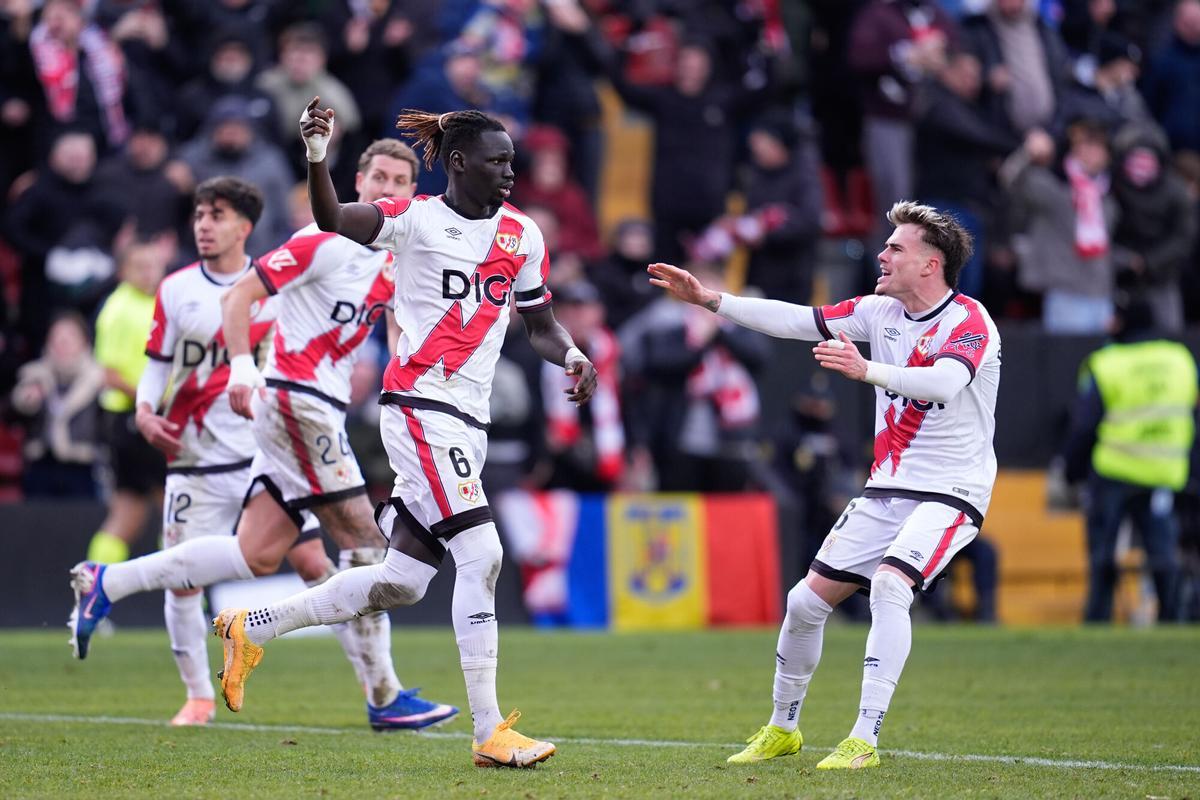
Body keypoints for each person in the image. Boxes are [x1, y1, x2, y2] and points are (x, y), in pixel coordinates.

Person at [210, 99, 598, 769]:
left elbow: (538, 323)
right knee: (483, 557)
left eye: (512, 159)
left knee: (402, 581)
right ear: (457, 163)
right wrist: (317, 153)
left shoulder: (523, 236)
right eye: (497, 159)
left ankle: (253, 626)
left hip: (467, 419)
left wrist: (571, 355)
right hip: (421, 406)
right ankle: (487, 732)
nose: (510, 170)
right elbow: (333, 219)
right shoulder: (413, 220)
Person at [66, 176, 452, 730]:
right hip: (261, 424)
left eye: (398, 181)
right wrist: (205, 385)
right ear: (359, 183)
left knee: (262, 555)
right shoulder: (314, 244)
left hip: (267, 434)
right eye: (378, 179)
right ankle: (359, 694)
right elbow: (233, 304)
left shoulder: (386, 266)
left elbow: (396, 325)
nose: (386, 188)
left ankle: (111, 582)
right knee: (365, 544)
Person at [648, 200, 1000, 770]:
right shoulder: (877, 311)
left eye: (896, 248)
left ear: (931, 265)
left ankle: (864, 737)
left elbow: (944, 383)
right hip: (888, 485)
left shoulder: (970, 320)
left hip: (952, 490)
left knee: (889, 586)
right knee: (804, 603)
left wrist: (867, 371)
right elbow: (795, 319)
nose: (881, 255)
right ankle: (783, 728)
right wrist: (711, 300)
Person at [1061, 296, 1198, 623]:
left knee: (1103, 556)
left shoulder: (1107, 363)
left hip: (1114, 472)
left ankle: (1097, 621)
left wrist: (1072, 470)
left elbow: (1084, 425)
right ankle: (1173, 623)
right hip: (1164, 473)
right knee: (1163, 554)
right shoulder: (1180, 359)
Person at [86, 240, 167, 565]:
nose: (149, 273)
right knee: (176, 508)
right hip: (133, 419)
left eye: (154, 266)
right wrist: (152, 399)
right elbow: (110, 374)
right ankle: (187, 601)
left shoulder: (159, 301)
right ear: (123, 271)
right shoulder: (118, 309)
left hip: (140, 418)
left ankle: (91, 596)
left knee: (130, 513)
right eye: (140, 267)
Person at [10, 311, 104, 498]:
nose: (63, 342)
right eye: (57, 336)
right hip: (41, 466)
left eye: (70, 336)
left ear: (84, 341)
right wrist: (27, 400)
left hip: (83, 468)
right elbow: (14, 413)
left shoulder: (99, 379)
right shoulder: (34, 374)